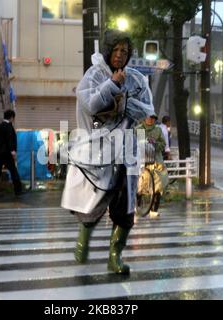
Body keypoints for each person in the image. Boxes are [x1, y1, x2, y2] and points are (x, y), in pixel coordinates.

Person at [61, 29, 154, 275]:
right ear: (108, 51)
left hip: (127, 153)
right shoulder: (93, 75)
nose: (121, 55)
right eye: (117, 50)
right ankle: (83, 241)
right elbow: (90, 104)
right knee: (94, 200)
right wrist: (113, 85)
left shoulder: (136, 79)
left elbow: (147, 110)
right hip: (98, 152)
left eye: (125, 51)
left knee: (125, 208)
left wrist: (124, 104)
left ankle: (115, 255)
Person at [136, 113, 167, 218]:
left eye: (153, 118)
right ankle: (137, 205)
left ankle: (154, 210)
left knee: (159, 184)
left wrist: (154, 145)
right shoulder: (138, 129)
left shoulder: (158, 130)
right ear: (145, 118)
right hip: (141, 161)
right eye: (150, 117)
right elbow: (133, 144)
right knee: (139, 185)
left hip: (156, 161)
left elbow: (163, 144)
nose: (151, 120)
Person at [0, 109, 23, 201]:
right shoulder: (9, 127)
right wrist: (13, 153)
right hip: (7, 154)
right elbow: (10, 140)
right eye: (13, 118)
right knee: (13, 172)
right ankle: (18, 191)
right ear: (11, 117)